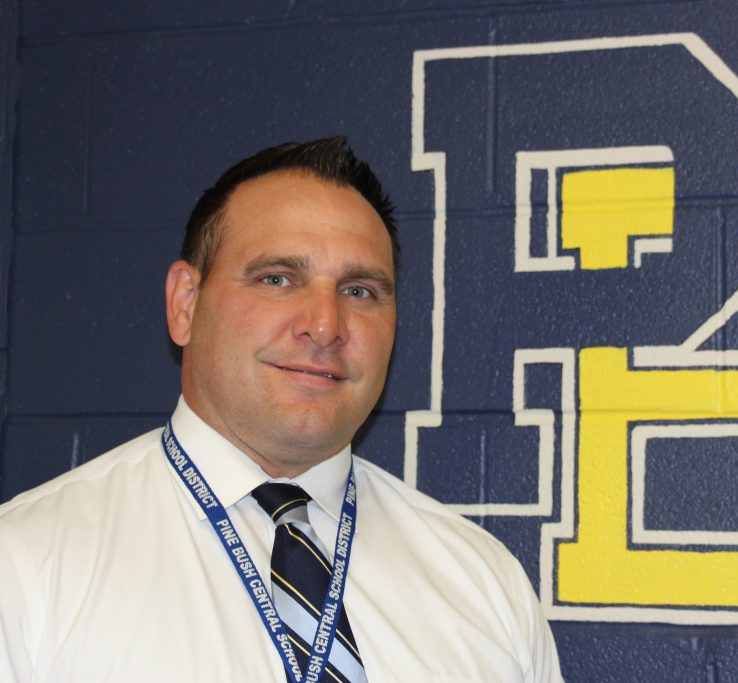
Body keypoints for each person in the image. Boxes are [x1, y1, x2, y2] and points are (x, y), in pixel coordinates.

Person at [0, 137, 563, 682]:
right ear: (185, 305)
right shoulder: (26, 565)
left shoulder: (485, 585)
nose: (325, 325)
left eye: (360, 290)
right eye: (277, 279)